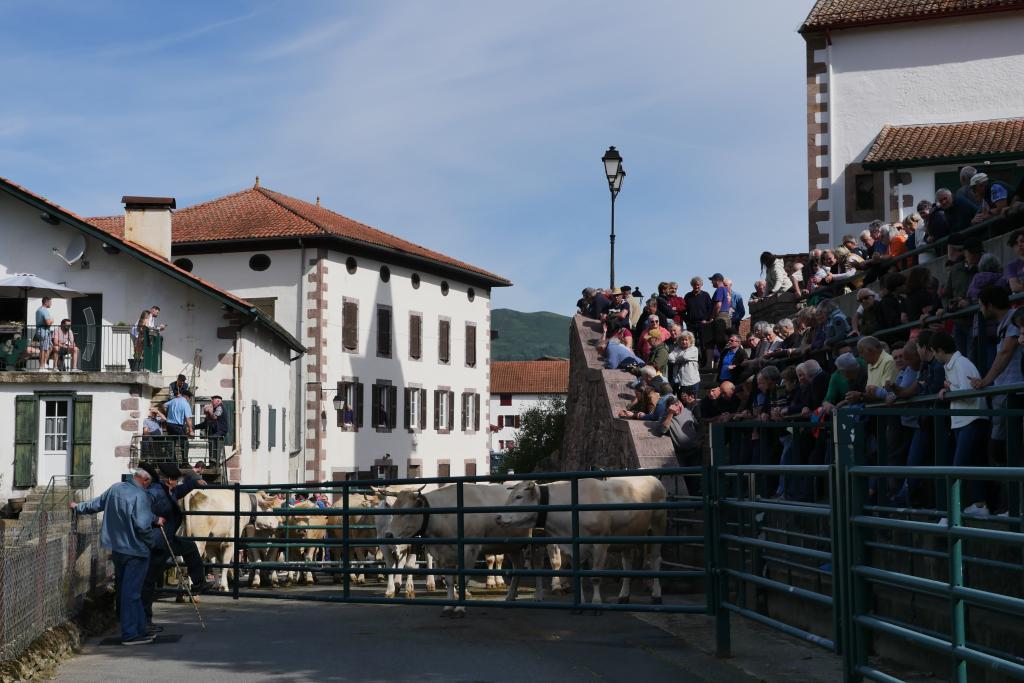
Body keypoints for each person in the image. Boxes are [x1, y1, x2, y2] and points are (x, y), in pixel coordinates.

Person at [71, 468, 157, 645]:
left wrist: (77, 507)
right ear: (146, 481)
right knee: (132, 593)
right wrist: (151, 543)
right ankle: (131, 633)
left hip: (118, 550)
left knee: (129, 592)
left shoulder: (116, 488)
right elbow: (142, 526)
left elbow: (96, 504)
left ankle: (140, 629)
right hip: (136, 551)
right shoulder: (141, 496)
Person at [141, 462, 212, 629]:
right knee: (149, 582)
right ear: (169, 480)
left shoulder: (169, 490)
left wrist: (195, 482)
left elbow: (182, 490)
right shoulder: (155, 492)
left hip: (168, 540)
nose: (177, 483)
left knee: (190, 548)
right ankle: (145, 621)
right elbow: (142, 508)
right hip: (158, 542)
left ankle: (198, 584)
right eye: (176, 480)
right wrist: (154, 519)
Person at [933, 331, 990, 517]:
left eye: (934, 351)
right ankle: (980, 505)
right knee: (973, 463)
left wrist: (949, 390)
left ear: (940, 350)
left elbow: (967, 393)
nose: (934, 355)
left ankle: (950, 515)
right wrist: (948, 390)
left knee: (957, 468)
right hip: (963, 421)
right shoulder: (952, 365)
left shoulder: (961, 363)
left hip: (971, 420)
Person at [668, 330, 700, 398]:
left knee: (691, 403)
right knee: (681, 402)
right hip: (680, 382)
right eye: (682, 340)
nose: (684, 342)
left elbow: (685, 357)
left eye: (686, 340)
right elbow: (670, 358)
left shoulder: (694, 349)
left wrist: (676, 359)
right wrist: (679, 358)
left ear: (690, 341)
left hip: (691, 382)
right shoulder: (677, 349)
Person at [35, 296, 54, 371]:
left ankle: (44, 364)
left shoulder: (38, 310)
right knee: (43, 349)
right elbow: (48, 323)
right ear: (46, 302)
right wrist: (52, 320)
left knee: (49, 347)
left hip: (42, 331)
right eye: (50, 302)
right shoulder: (44, 310)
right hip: (43, 331)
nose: (51, 304)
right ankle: (41, 367)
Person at [1003, 229, 1024, 294]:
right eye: (1016, 243)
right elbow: (1015, 287)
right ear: (1013, 248)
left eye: (1022, 241)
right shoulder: (1011, 266)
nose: (1019, 245)